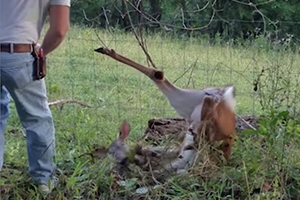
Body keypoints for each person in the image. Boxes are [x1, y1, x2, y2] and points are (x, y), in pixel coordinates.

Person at [0, 0, 70, 195]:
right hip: (20, 54)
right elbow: (59, 29)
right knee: (37, 119)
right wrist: (41, 52)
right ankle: (43, 180)